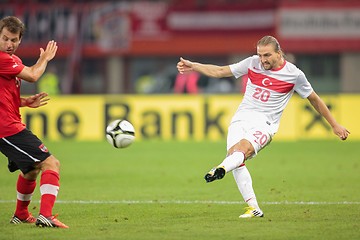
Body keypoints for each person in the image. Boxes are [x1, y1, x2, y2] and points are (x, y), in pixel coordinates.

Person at [176, 35, 350, 218]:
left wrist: (334, 124)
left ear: (279, 53)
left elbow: (314, 99)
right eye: (260, 55)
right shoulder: (252, 63)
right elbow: (220, 71)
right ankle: (253, 208)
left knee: (242, 151)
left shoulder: (295, 75)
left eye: (267, 55)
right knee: (235, 158)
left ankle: (219, 169)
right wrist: (194, 66)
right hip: (240, 119)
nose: (262, 60)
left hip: (265, 124)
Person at [0, 16, 68, 228]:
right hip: (6, 127)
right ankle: (46, 215)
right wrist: (45, 59)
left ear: (20, 40)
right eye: (4, 38)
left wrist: (25, 102)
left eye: (13, 40)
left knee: (30, 170)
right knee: (51, 163)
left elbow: (6, 97)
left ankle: (21, 214)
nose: (9, 44)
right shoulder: (2, 58)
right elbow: (33, 75)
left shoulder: (13, 61)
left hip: (9, 123)